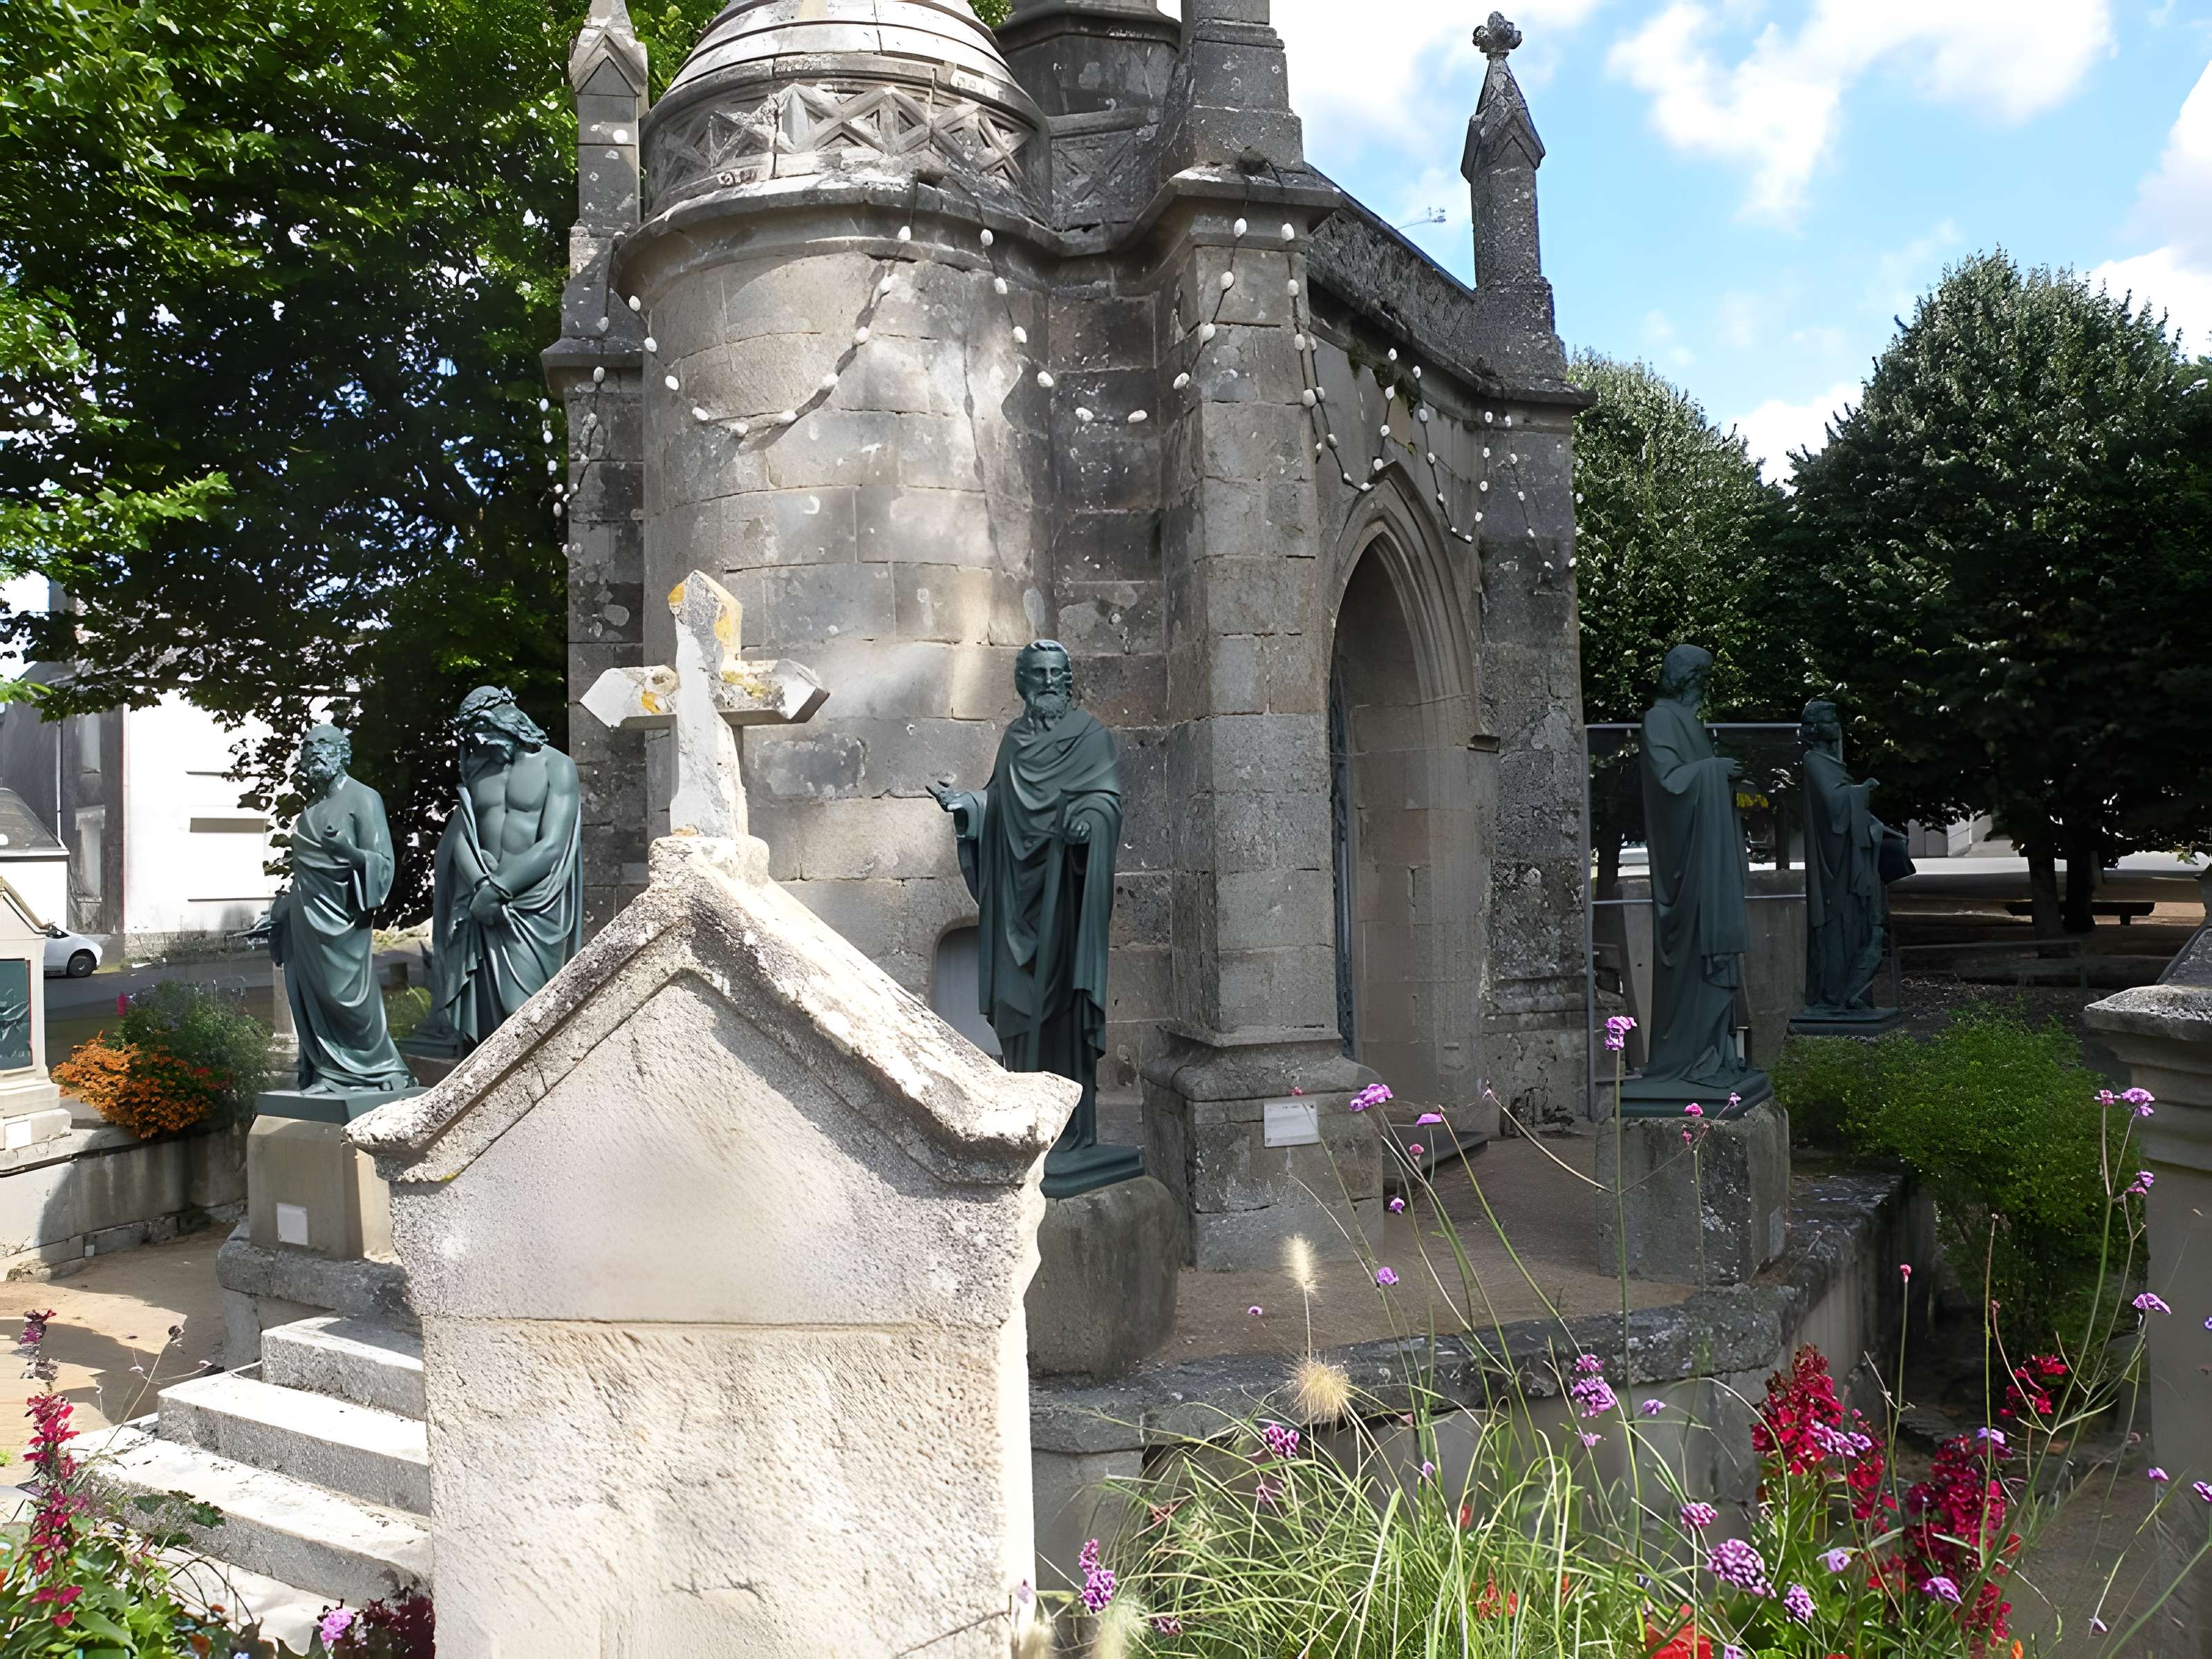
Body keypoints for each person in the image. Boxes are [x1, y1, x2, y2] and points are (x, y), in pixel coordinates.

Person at [930, 641, 1137, 1197]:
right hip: (1017, 905)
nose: (1048, 682)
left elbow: (1106, 801)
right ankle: (1030, 1125)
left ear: (1068, 681)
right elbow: (999, 802)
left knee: (1064, 1016)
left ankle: (1072, 1135)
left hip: (1063, 904)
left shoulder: (1091, 737)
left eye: (1056, 674)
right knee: (1017, 1012)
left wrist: (1088, 823)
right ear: (1022, 683)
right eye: (1037, 675)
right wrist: (968, 808)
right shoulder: (1015, 739)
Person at [1622, 644, 1769, 1113]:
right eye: (1701, 677)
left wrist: (1724, 780)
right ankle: (1690, 1059)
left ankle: (1715, 1055)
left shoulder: (1690, 722)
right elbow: (1669, 784)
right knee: (1696, 962)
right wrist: (1713, 771)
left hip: (1711, 864)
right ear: (1686, 678)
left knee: (1720, 966)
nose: (1705, 686)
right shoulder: (1659, 719)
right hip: (1688, 874)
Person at [419, 687, 583, 1053]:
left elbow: (553, 844)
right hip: (480, 905)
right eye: (469, 731)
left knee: (528, 1012)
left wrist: (499, 889)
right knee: (485, 1021)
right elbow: (461, 833)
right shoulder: (478, 770)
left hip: (533, 907)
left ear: (505, 718)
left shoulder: (556, 766)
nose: (475, 738)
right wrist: (480, 885)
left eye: (479, 725)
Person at [268, 724, 414, 1094]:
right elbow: (304, 874)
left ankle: (383, 1068)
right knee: (311, 995)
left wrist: (349, 855)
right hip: (304, 919)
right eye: (307, 747)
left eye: (322, 745)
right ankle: (328, 1073)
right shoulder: (309, 812)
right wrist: (283, 907)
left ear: (341, 752)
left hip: (344, 918)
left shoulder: (364, 798)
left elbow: (382, 862)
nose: (313, 752)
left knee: (348, 996)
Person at [1799, 699, 1893, 1017]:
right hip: (1834, 869)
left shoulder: (1827, 762)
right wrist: (1861, 791)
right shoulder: (1813, 761)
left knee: (1859, 927)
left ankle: (1851, 995)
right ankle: (1835, 995)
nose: (1835, 725)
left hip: (1843, 860)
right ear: (1814, 727)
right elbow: (1835, 806)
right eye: (1829, 719)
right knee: (1839, 929)